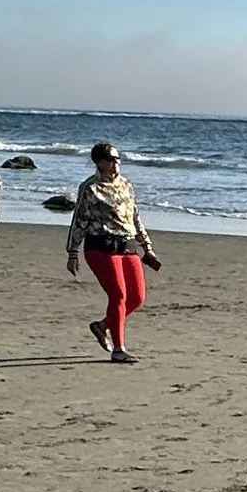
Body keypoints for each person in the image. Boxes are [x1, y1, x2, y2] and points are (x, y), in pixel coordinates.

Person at [63, 139, 160, 362]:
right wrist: (72, 252)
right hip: (100, 246)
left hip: (127, 246)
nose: (116, 163)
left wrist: (147, 247)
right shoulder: (90, 188)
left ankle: (102, 326)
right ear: (98, 162)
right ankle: (119, 349)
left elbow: (135, 217)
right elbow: (79, 220)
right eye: (111, 159)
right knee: (118, 295)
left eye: (117, 158)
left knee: (137, 297)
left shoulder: (126, 185)